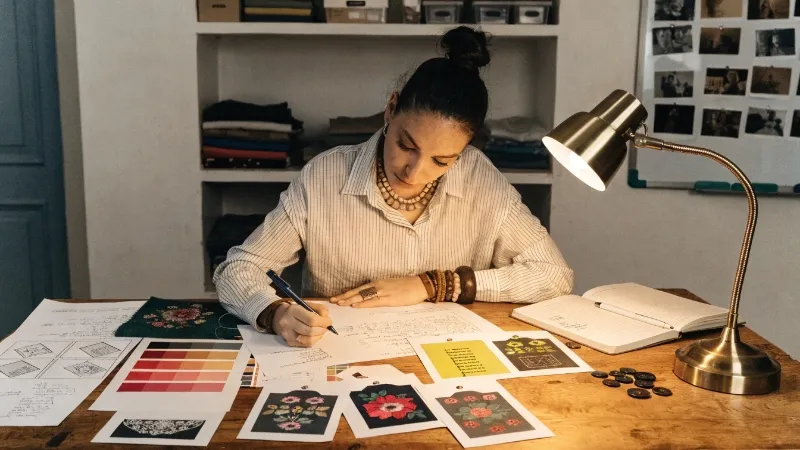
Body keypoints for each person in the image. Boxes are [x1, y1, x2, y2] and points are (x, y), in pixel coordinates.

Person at [213, 26, 574, 348]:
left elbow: (554, 275)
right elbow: (238, 269)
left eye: (442, 160)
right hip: (338, 357)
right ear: (391, 109)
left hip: (448, 361)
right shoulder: (325, 175)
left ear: (464, 149)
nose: (415, 172)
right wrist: (276, 313)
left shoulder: (480, 177)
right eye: (406, 145)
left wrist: (435, 284)